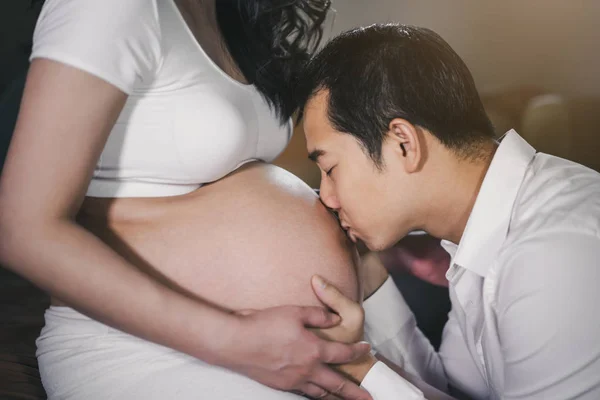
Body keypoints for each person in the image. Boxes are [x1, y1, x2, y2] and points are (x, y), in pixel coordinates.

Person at [0, 0, 373, 398]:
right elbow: (20, 230)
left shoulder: (232, 16)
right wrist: (236, 341)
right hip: (145, 347)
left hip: (269, 348)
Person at [299, 24, 600, 399]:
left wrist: (356, 368)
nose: (326, 196)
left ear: (403, 144)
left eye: (329, 169)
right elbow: (453, 392)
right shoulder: (480, 232)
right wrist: (369, 279)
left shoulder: (553, 255)